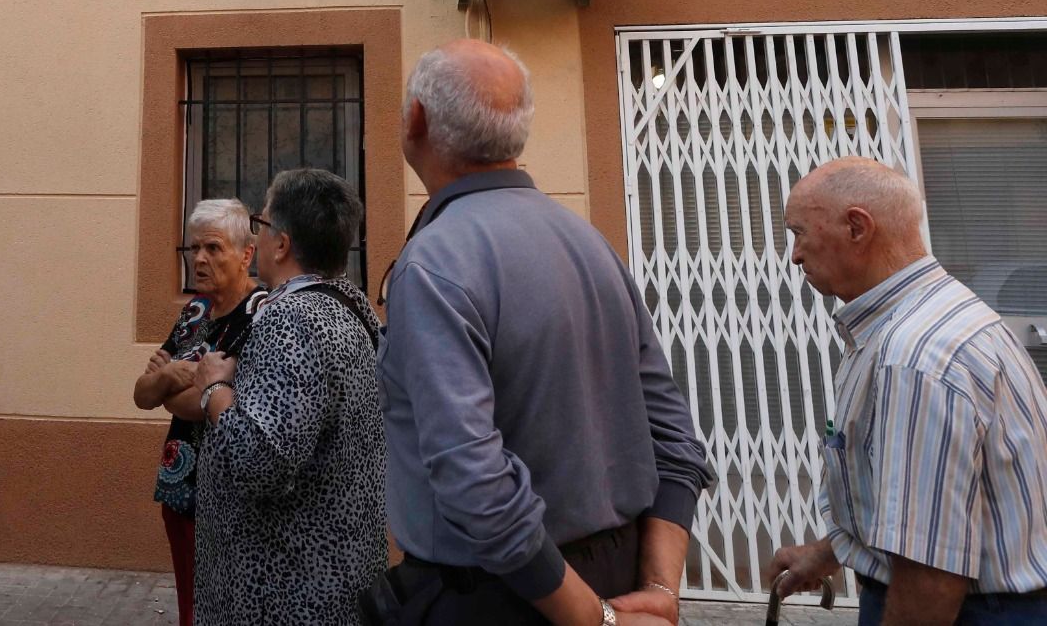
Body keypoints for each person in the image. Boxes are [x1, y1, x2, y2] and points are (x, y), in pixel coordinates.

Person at [377, 40, 711, 626]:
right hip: (615, 577)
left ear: (416, 121)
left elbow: (473, 479)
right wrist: (658, 589)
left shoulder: (434, 264)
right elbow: (676, 440)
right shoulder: (590, 243)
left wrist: (593, 619)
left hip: (505, 599)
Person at [767, 158, 1047, 626]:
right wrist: (830, 551)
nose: (795, 255)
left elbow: (930, 574)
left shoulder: (916, 355)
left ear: (857, 227)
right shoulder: (941, 315)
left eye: (799, 233)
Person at [193, 168, 386, 626]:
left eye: (260, 228)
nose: (256, 240)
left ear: (280, 244)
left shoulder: (291, 320)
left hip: (285, 593)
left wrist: (214, 389)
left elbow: (260, 462)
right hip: (337, 576)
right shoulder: (351, 307)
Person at [133, 199, 267, 626]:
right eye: (195, 249)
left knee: (230, 605)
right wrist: (179, 374)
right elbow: (142, 393)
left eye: (213, 248)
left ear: (247, 253)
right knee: (191, 605)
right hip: (180, 484)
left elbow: (195, 405)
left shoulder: (261, 313)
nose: (200, 259)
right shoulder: (194, 312)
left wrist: (172, 384)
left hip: (229, 492)